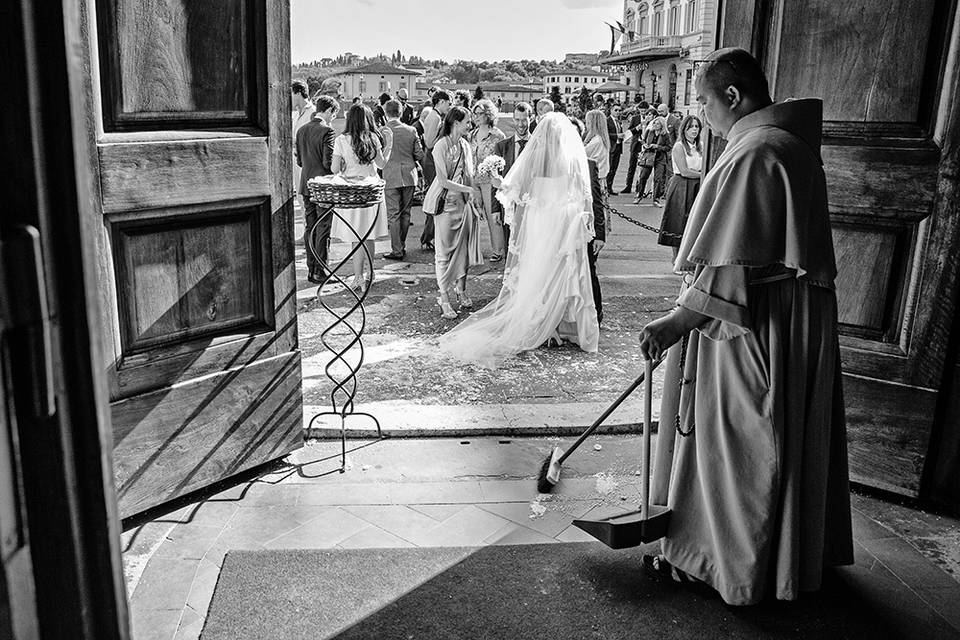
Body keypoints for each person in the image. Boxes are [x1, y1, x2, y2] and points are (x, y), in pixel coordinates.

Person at [639, 47, 853, 606]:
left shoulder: (757, 152)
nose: (702, 115)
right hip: (789, 315)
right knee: (778, 435)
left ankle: (730, 566)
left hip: (755, 324)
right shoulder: (786, 145)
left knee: (740, 442)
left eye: (705, 102)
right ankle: (781, 562)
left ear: (732, 96)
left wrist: (676, 322)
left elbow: (728, 264)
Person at [439, 113, 600, 365]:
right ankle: (557, 326)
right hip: (561, 223)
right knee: (559, 274)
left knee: (540, 273)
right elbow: (581, 195)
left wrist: (498, 182)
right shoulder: (570, 159)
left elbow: (519, 191)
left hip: (540, 223)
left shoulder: (536, 158)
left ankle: (548, 325)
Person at [421, 106, 483, 319]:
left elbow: (470, 174)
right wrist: (469, 189)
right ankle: (444, 298)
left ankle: (461, 289)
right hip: (445, 204)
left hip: (463, 204)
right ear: (456, 123)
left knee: (463, 250)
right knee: (444, 253)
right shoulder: (440, 146)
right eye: (467, 121)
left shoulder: (465, 144)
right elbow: (442, 180)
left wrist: (475, 199)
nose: (470, 124)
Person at [330, 104, 389, 292]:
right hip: (371, 189)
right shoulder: (373, 138)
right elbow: (381, 164)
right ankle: (371, 273)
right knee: (369, 234)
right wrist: (389, 147)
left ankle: (358, 278)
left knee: (356, 237)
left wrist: (347, 165)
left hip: (352, 192)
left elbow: (333, 169)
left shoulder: (341, 140)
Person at [295, 95, 338, 284]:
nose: (333, 119)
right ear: (328, 111)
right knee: (323, 227)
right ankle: (320, 269)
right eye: (333, 115)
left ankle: (311, 268)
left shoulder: (301, 130)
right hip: (322, 186)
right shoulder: (327, 131)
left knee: (310, 226)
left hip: (306, 183)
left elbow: (299, 160)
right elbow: (328, 162)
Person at [568, 116, 607, 324]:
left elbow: (598, 203)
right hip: (564, 230)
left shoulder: (590, 165)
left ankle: (596, 315)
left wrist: (600, 235)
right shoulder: (557, 166)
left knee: (589, 273)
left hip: (586, 229)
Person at [381, 99, 424, 260]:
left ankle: (397, 249)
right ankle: (402, 246)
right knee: (406, 213)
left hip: (390, 175)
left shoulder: (382, 131)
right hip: (409, 175)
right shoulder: (411, 130)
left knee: (393, 215)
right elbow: (419, 154)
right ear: (401, 112)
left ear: (386, 113)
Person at [657, 115, 702, 258]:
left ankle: (690, 257)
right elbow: (684, 171)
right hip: (682, 185)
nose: (694, 130)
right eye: (691, 127)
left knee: (695, 220)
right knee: (678, 221)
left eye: (696, 126)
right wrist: (704, 175)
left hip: (698, 185)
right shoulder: (679, 146)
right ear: (684, 129)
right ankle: (676, 258)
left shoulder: (701, 146)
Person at [468, 99, 507, 262]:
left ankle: (498, 250)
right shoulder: (471, 134)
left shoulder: (498, 136)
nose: (475, 116)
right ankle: (473, 251)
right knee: (474, 215)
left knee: (493, 216)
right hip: (473, 179)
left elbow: (502, 160)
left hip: (490, 182)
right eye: (474, 113)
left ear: (488, 115)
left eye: (479, 113)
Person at [491, 101, 533, 252]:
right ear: (513, 120)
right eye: (517, 119)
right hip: (509, 208)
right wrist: (495, 209)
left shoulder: (539, 146)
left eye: (524, 119)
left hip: (532, 207)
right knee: (511, 248)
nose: (520, 124)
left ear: (531, 118)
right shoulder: (502, 147)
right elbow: (495, 180)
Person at [419, 90, 451, 251]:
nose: (449, 106)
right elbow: (430, 143)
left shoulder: (435, 116)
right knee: (435, 198)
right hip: (431, 160)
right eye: (448, 103)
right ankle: (427, 236)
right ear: (441, 102)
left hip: (432, 159)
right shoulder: (435, 117)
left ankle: (429, 236)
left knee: (435, 198)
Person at [632, 115, 671, 205]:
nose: (655, 125)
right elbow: (643, 141)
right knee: (643, 176)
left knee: (658, 178)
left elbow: (668, 147)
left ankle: (656, 199)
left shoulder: (665, 135)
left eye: (658, 123)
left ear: (662, 125)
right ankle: (639, 195)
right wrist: (645, 145)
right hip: (649, 156)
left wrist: (658, 146)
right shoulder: (649, 132)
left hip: (660, 158)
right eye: (654, 123)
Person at [291, 80, 316, 196]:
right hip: (296, 161)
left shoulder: (313, 112)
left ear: (298, 93)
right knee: (300, 198)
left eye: (290, 94)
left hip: (309, 163)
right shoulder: (295, 114)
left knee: (309, 198)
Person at [621, 106, 650, 193]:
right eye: (641, 110)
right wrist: (637, 128)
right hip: (635, 145)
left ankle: (639, 187)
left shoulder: (650, 118)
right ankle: (628, 186)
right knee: (632, 166)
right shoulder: (635, 118)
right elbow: (629, 131)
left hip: (645, 145)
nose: (643, 112)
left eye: (645, 110)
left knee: (642, 168)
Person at [606, 104, 624, 195]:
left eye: (619, 110)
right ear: (611, 110)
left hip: (618, 147)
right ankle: (606, 188)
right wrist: (617, 136)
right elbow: (606, 134)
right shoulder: (607, 121)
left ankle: (610, 187)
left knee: (614, 169)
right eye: (616, 110)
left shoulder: (619, 121)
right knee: (609, 169)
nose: (618, 112)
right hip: (611, 147)